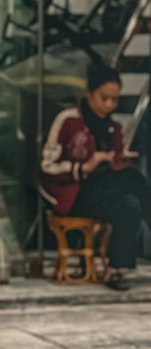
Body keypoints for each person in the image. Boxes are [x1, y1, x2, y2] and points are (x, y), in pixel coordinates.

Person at [41, 60, 151, 290]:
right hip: (72, 195)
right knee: (135, 180)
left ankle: (116, 270)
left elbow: (113, 164)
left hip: (103, 193)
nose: (109, 104)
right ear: (90, 93)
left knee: (130, 203)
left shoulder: (114, 127)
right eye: (104, 98)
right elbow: (47, 165)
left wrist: (117, 159)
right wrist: (83, 167)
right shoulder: (69, 120)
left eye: (115, 99)